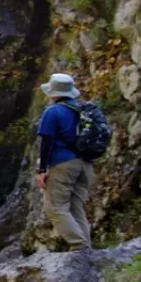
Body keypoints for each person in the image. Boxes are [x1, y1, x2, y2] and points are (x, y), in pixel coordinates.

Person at [35, 73, 93, 250]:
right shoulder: (83, 109)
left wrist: (41, 170)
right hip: (85, 164)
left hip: (63, 164)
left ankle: (80, 247)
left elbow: (46, 142)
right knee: (76, 209)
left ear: (54, 93)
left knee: (55, 208)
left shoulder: (53, 111)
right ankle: (87, 250)